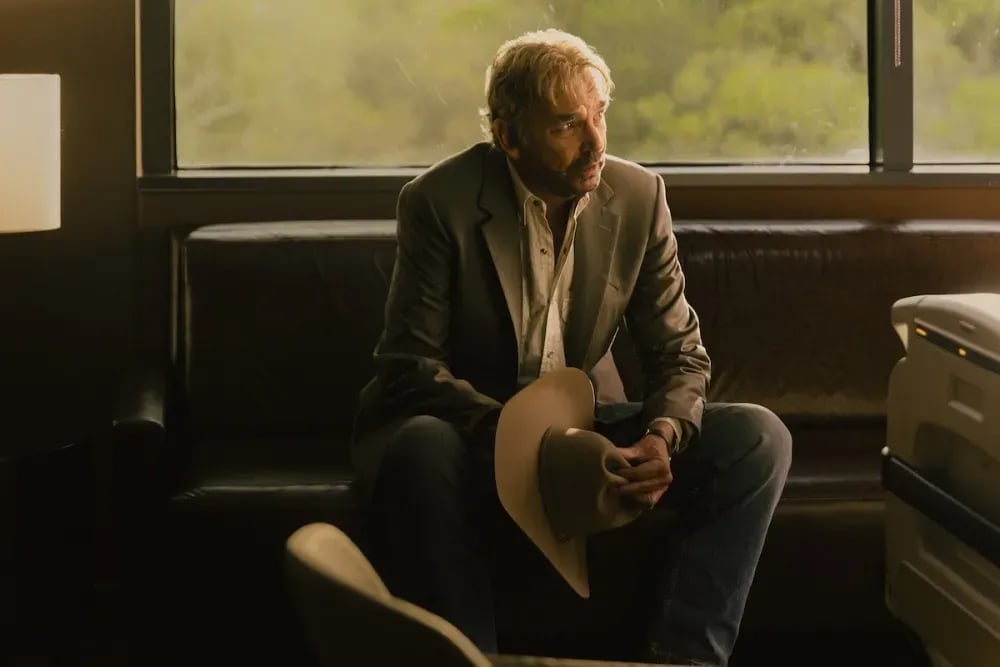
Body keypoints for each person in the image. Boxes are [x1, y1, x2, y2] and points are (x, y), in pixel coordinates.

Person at [352, 28, 792, 667]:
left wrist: (660, 437)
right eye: (566, 124)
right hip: (472, 428)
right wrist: (525, 439)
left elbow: (679, 353)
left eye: (599, 114)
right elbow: (410, 367)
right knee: (420, 445)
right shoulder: (438, 202)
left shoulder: (638, 197)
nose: (596, 142)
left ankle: (682, 660)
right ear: (508, 136)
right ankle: (465, 660)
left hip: (586, 427)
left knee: (759, 437)